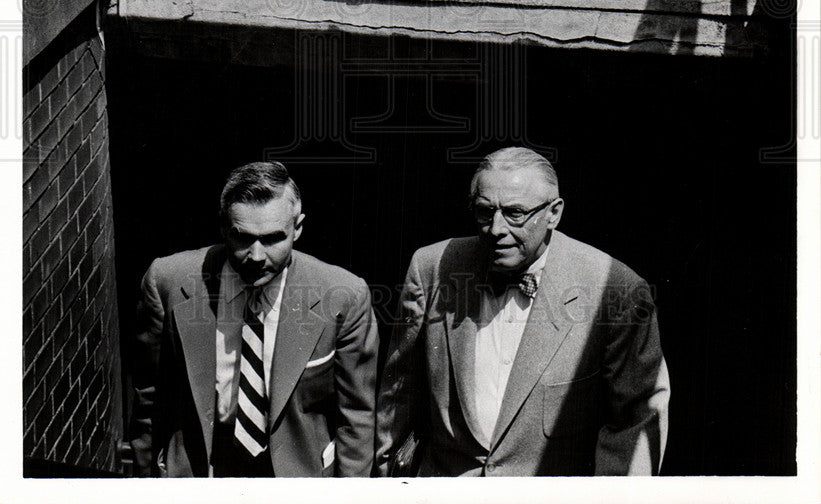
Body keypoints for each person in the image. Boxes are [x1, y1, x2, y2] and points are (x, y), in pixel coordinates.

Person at [376, 146, 669, 476]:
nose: (496, 229)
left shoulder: (614, 288)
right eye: (485, 212)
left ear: (553, 213)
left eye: (515, 213)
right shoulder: (432, 267)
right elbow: (397, 395)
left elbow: (636, 420)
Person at [129, 161, 378, 477]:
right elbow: (149, 400)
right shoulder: (167, 282)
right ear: (223, 227)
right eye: (243, 238)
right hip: (200, 472)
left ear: (297, 229)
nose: (257, 256)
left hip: (298, 478)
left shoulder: (343, 295)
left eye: (274, 238)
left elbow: (356, 415)